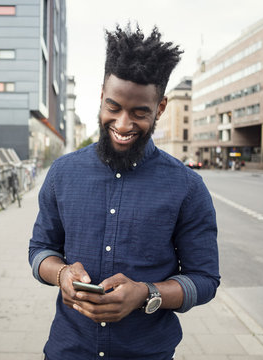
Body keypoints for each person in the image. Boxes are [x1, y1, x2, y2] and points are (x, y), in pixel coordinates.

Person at [29, 24, 220, 360]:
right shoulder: (62, 173)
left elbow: (204, 280)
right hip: (67, 351)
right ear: (102, 93)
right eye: (113, 107)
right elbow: (40, 249)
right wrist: (61, 274)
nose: (122, 124)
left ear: (159, 109)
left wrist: (147, 294)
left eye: (139, 113)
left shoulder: (187, 187)